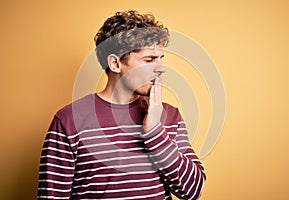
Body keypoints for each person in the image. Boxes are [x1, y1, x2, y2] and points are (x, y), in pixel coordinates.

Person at [38, 10, 206, 200]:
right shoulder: (68, 120)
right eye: (149, 59)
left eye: (161, 58)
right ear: (116, 64)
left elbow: (194, 191)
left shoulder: (170, 115)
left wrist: (155, 132)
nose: (161, 67)